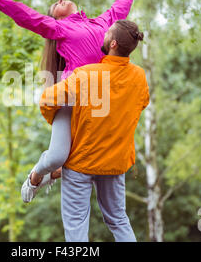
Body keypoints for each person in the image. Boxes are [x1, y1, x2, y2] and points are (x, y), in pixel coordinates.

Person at [0, 0, 138, 203]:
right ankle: (35, 176)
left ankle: (52, 175)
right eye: (55, 5)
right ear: (55, 17)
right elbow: (25, 15)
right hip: (71, 97)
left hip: (99, 100)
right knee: (56, 157)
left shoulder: (103, 23)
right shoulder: (60, 29)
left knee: (93, 163)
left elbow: (119, 8)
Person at [39, 19, 149, 242]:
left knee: (76, 225)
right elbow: (142, 103)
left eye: (107, 33)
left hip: (81, 163)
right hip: (116, 164)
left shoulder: (85, 75)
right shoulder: (139, 77)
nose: (103, 35)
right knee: (118, 220)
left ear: (113, 44)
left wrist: (61, 122)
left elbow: (46, 100)